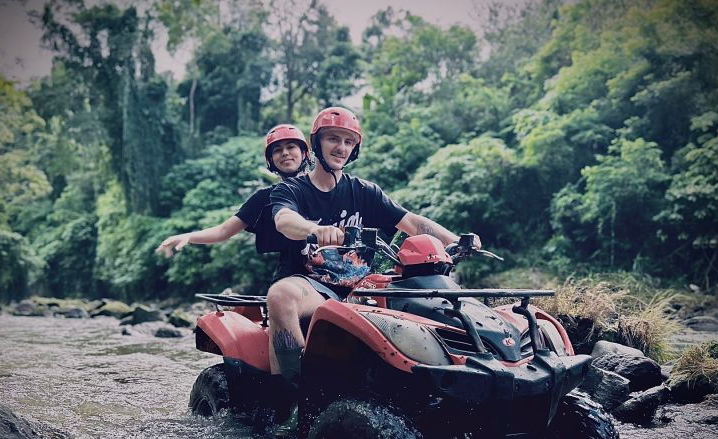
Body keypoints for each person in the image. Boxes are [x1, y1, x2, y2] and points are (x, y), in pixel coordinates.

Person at [267, 106, 480, 381]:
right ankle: (293, 399)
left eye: (348, 142)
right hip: (313, 287)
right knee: (279, 295)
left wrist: (457, 240)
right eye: (333, 138)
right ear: (316, 144)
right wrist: (315, 229)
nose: (341, 147)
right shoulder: (291, 189)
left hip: (364, 288)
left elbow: (412, 223)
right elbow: (284, 220)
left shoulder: (365, 191)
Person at [155, 124, 310, 259]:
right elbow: (224, 231)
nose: (284, 153)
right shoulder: (265, 198)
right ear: (271, 161)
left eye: (291, 147)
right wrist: (188, 237)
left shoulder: (324, 187)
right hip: (291, 278)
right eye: (277, 150)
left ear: (304, 153)